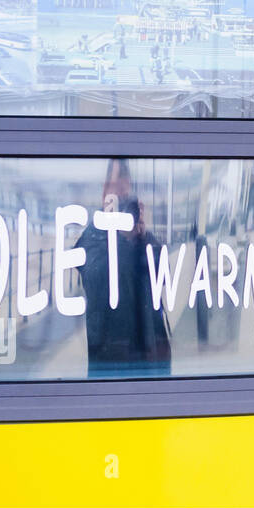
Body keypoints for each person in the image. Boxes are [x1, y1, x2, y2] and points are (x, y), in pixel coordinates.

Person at [78, 159, 172, 377]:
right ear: (104, 192)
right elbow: (95, 279)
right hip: (110, 360)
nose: (119, 191)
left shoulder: (143, 238)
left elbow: (163, 276)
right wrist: (120, 237)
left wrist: (141, 238)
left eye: (124, 184)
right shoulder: (92, 236)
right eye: (113, 185)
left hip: (149, 356)